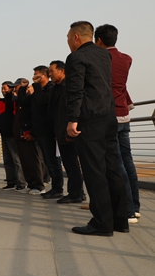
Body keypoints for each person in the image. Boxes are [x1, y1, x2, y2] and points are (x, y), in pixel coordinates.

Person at [66, 21, 128, 236]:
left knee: (94, 171)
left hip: (90, 120)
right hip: (109, 117)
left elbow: (76, 90)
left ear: (76, 37)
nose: (67, 41)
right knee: (112, 168)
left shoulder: (76, 57)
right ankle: (120, 220)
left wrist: (72, 119)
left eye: (68, 37)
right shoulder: (104, 55)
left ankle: (102, 223)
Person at [94, 24, 140, 224]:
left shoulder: (102, 59)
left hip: (108, 115)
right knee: (127, 161)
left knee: (116, 164)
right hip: (123, 114)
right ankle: (135, 207)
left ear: (99, 40)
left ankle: (127, 210)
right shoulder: (126, 58)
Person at [47, 60, 85, 203]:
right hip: (59, 131)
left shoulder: (69, 86)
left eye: (52, 71)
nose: (50, 74)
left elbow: (73, 109)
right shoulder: (55, 88)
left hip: (68, 131)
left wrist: (71, 130)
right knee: (68, 164)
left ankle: (77, 193)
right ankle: (75, 192)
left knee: (72, 164)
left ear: (62, 71)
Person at [30, 65, 62, 198]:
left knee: (53, 162)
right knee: (48, 162)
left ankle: (58, 188)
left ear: (44, 75)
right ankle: (55, 187)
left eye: (37, 75)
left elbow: (42, 101)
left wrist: (36, 86)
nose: (34, 77)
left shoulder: (50, 88)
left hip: (49, 131)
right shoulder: (38, 90)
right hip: (39, 131)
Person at [14, 78, 46, 195]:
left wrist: (32, 133)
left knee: (33, 161)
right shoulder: (26, 100)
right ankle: (31, 184)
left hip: (30, 134)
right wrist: (22, 89)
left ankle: (39, 185)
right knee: (25, 161)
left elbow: (36, 118)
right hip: (21, 134)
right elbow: (21, 101)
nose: (16, 89)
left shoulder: (35, 99)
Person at [0, 81, 26, 191]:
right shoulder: (2, 101)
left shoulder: (14, 100)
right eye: (2, 89)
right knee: (7, 159)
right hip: (4, 133)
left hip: (13, 134)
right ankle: (11, 181)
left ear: (11, 88)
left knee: (16, 159)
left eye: (5, 88)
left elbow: (11, 110)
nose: (3, 91)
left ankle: (21, 182)